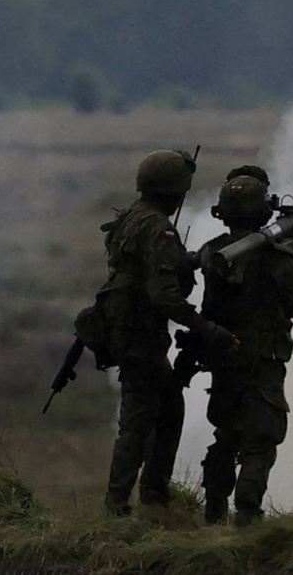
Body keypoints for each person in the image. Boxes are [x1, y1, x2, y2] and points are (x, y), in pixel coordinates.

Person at [98, 150, 238, 516]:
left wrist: (189, 260)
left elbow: (144, 268)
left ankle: (152, 497)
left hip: (127, 332)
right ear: (174, 190)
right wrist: (209, 330)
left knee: (165, 410)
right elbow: (165, 297)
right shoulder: (159, 227)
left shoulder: (131, 217)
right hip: (141, 337)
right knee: (139, 419)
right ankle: (123, 505)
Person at [196, 165, 293, 527]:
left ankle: (213, 512)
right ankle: (248, 516)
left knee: (225, 436)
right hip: (263, 359)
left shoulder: (212, 253)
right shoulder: (277, 256)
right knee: (260, 439)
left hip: (224, 357)